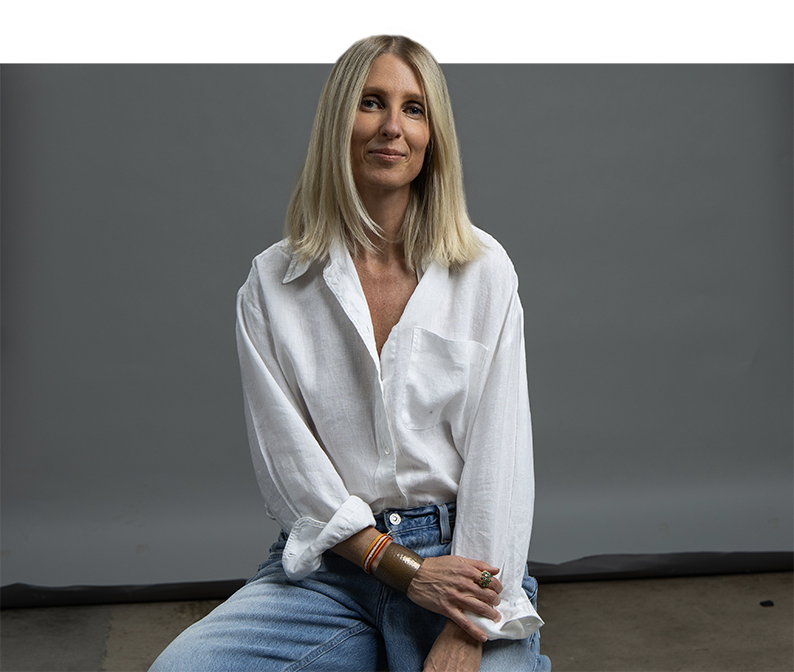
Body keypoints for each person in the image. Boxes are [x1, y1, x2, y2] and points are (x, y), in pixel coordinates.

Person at [150, 32, 550, 672]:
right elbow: (290, 467)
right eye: (371, 102)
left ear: (432, 135)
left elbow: (503, 463)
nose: (393, 127)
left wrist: (469, 624)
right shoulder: (273, 285)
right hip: (333, 570)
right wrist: (394, 566)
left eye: (413, 109)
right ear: (340, 121)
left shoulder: (484, 272)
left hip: (464, 565)